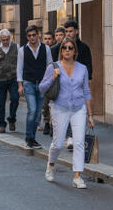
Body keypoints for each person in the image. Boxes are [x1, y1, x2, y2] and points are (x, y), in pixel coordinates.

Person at [39, 39, 94, 189]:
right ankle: (50, 165)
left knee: (78, 142)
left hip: (78, 108)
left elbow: (86, 91)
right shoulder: (53, 67)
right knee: (57, 144)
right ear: (61, 51)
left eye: (70, 48)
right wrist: (53, 77)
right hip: (59, 108)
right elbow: (42, 88)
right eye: (64, 48)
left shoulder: (82, 68)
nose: (67, 50)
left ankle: (77, 176)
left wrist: (90, 115)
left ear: (75, 51)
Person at [18, 25, 52, 149]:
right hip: (28, 83)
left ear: (38, 35)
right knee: (32, 110)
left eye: (34, 35)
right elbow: (19, 69)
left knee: (38, 113)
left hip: (42, 84)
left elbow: (50, 66)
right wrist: (20, 85)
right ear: (27, 37)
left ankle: (32, 138)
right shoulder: (22, 50)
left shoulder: (46, 48)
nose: (32, 37)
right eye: (29, 35)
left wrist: (49, 82)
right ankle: (28, 138)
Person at [41, 31, 56, 135]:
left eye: (49, 39)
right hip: (45, 80)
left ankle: (53, 125)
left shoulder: (57, 50)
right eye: (45, 39)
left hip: (55, 80)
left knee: (54, 104)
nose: (47, 41)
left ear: (53, 40)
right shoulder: (41, 50)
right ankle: (46, 123)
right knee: (45, 104)